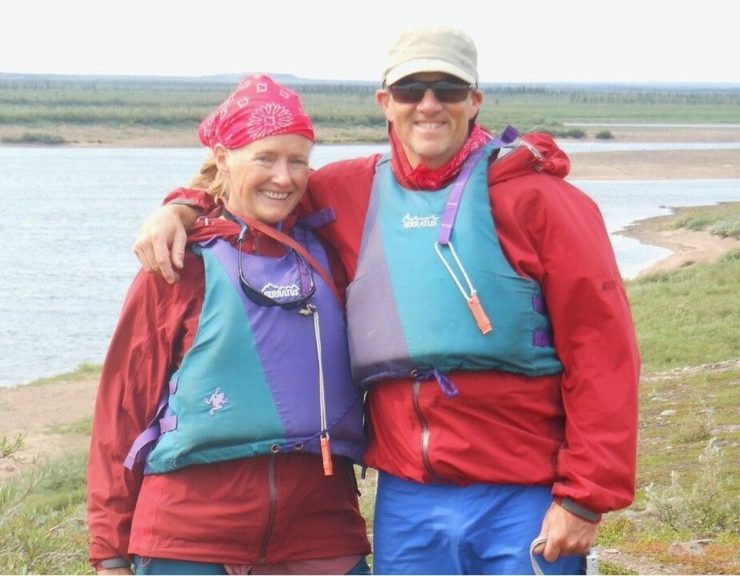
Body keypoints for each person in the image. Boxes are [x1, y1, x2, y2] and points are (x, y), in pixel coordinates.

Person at [133, 27, 640, 575]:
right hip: (409, 494)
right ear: (385, 103)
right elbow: (258, 191)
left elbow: (603, 353)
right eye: (410, 90)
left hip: (525, 493)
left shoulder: (541, 201)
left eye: (447, 89)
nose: (428, 105)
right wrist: (182, 206)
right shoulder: (350, 192)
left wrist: (585, 496)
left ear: (474, 100)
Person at [87, 74, 371, 575]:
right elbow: (121, 410)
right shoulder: (177, 264)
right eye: (265, 157)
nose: (283, 178)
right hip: (187, 537)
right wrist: (110, 549)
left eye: (297, 160)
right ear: (223, 158)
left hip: (320, 534)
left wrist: (181, 202)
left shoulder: (333, 250)